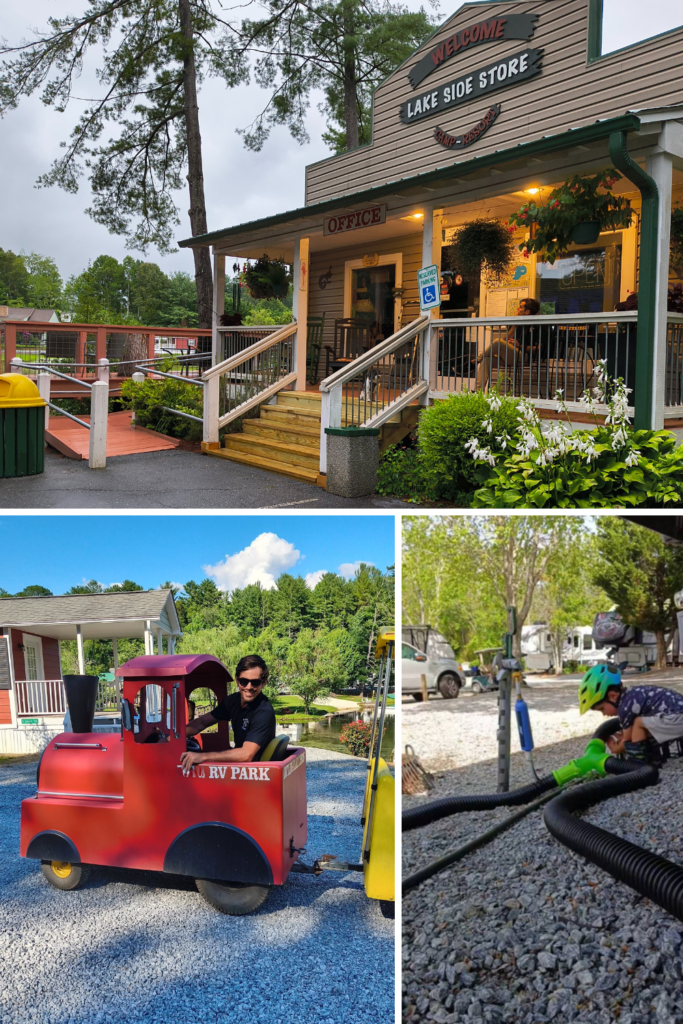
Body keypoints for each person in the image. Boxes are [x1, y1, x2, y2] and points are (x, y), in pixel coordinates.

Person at [179, 654, 276, 772]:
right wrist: (172, 737)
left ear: (264, 682)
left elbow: (246, 754)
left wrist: (203, 756)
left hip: (254, 773)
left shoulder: (264, 712)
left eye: (255, 682)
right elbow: (202, 722)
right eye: (243, 681)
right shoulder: (233, 701)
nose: (249, 687)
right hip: (240, 769)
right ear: (237, 680)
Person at [578, 663, 683, 761]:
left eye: (602, 709)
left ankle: (639, 765)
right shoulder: (629, 696)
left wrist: (617, 748)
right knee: (641, 724)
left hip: (677, 718)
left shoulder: (624, 708)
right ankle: (654, 759)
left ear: (613, 696)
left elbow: (628, 739)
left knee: (638, 723)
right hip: (676, 715)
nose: (604, 714)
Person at [476, 296, 541, 391]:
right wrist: (513, 327)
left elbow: (539, 349)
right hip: (510, 356)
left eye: (520, 307)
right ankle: (478, 393)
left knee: (498, 341)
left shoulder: (537, 325)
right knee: (486, 360)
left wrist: (520, 346)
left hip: (524, 357)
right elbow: (504, 341)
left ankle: (476, 360)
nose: (517, 309)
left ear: (527, 312)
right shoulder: (515, 324)